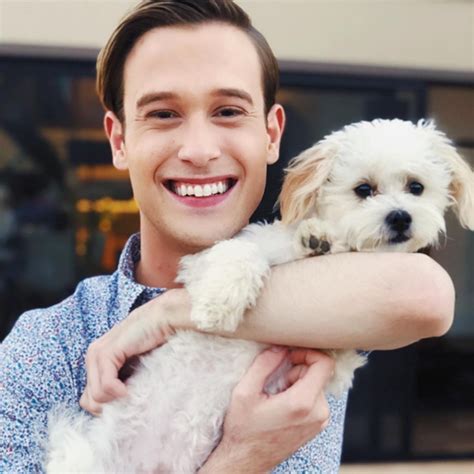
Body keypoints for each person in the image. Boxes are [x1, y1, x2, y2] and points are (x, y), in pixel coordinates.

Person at [0, 1, 455, 472]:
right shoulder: (48, 347)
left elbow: (424, 295)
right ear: (119, 141)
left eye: (228, 111)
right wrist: (242, 456)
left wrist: (170, 312)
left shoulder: (324, 285)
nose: (199, 150)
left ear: (271, 134)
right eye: (163, 114)